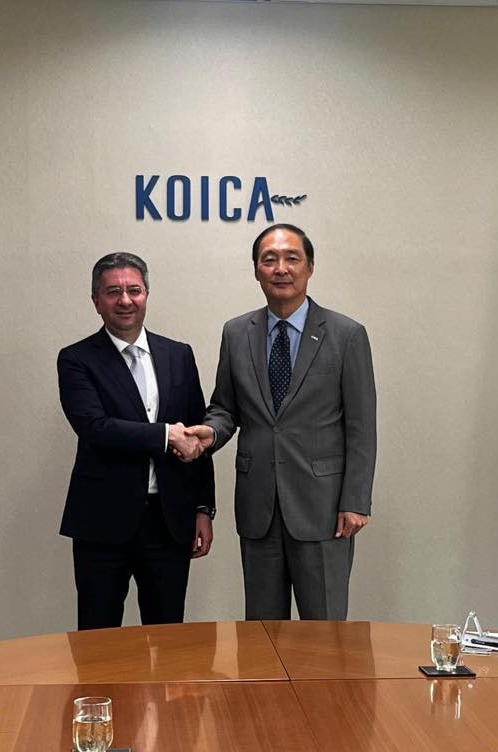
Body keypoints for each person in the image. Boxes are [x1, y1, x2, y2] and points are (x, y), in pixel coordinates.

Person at [190, 224, 376, 620]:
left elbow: (361, 429)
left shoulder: (346, 335)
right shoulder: (236, 333)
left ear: (310, 266)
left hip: (324, 509)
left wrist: (356, 501)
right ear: (256, 270)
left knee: (324, 632)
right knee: (262, 635)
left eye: (292, 258)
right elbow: (225, 408)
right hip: (258, 507)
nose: (281, 268)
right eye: (269, 260)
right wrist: (210, 432)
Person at [57, 251, 215, 629]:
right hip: (102, 523)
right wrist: (165, 435)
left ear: (146, 294)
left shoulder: (178, 355)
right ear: (96, 301)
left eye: (134, 290)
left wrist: (203, 509)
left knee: (168, 637)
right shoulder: (76, 359)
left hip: (169, 521)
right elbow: (94, 427)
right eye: (113, 292)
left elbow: (197, 435)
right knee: (98, 638)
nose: (125, 300)